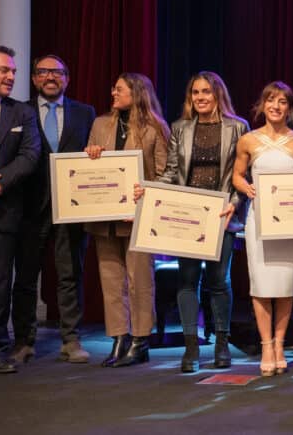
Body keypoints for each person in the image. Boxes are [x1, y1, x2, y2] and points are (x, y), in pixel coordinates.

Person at [153, 72, 248, 372]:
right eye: (195, 92)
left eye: (206, 91)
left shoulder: (238, 127)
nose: (201, 97)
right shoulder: (180, 128)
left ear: (218, 94)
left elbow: (242, 176)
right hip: (189, 215)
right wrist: (149, 190)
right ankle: (191, 348)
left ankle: (221, 344)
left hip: (222, 214)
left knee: (220, 281)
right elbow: (171, 172)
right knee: (187, 281)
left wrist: (234, 204)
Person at [10, 55, 95, 365]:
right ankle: (23, 341)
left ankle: (71, 339)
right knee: (26, 276)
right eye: (43, 72)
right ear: (34, 79)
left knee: (70, 274)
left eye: (57, 72)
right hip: (29, 208)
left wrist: (94, 153)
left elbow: (94, 154)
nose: (50, 77)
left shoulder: (86, 113)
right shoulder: (18, 111)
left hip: (71, 207)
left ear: (67, 79)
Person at [84, 73, 169, 368]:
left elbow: (163, 173)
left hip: (138, 216)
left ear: (136, 92)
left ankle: (140, 339)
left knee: (140, 281)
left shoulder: (155, 127)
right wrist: (91, 155)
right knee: (111, 280)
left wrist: (147, 189)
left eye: (118, 88)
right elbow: (88, 167)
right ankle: (119, 337)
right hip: (105, 217)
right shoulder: (99, 124)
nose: (113, 92)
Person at [232, 81, 293, 377]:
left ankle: (280, 344)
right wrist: (248, 188)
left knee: (286, 285)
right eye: (270, 100)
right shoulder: (248, 141)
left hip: (289, 224)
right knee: (262, 285)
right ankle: (266, 345)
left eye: (282, 102)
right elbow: (237, 176)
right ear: (262, 105)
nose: (276, 106)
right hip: (259, 220)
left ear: (289, 108)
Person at [0, 46, 40, 374]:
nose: (11, 76)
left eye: (13, 71)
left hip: (0, 211)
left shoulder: (22, 113)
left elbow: (30, 156)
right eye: (4, 70)